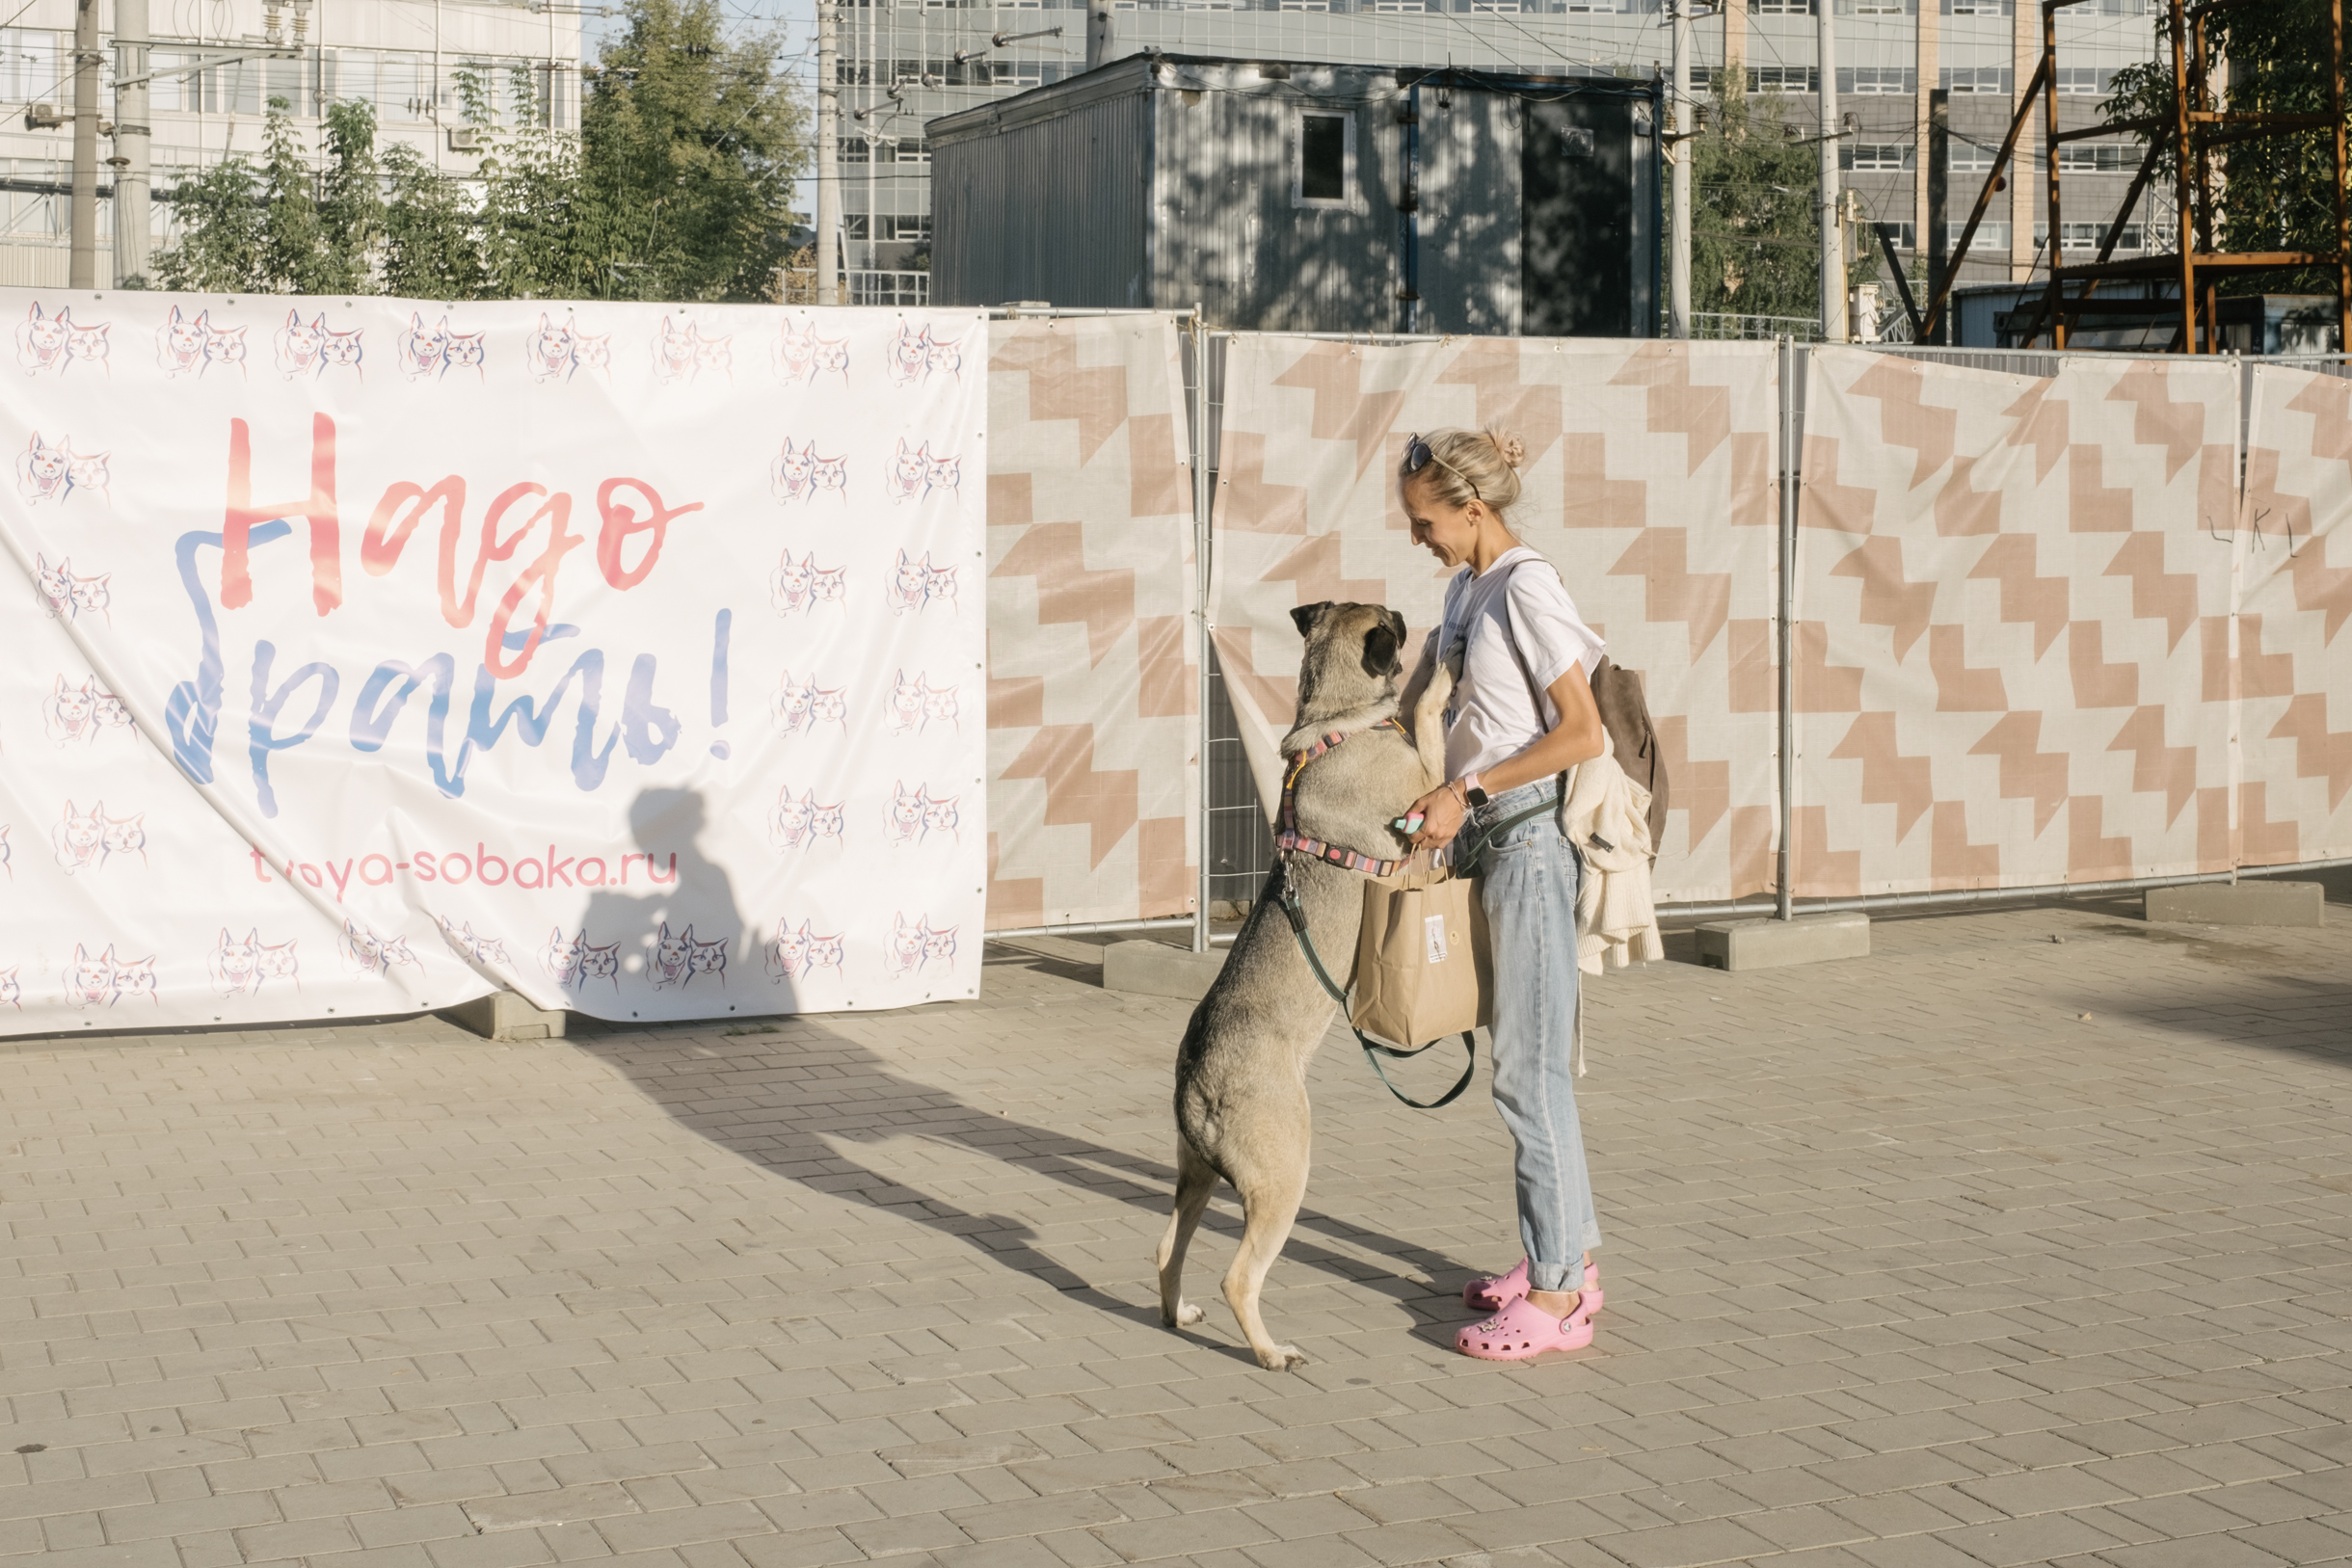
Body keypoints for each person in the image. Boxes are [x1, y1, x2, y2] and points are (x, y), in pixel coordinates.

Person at [1396, 426, 1610, 1361]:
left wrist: (1464, 790)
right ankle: (1562, 1255)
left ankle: (1559, 1299)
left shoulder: (1526, 586)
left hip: (1525, 845)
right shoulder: (1465, 590)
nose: (1418, 536)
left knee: (1529, 1075)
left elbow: (1582, 732)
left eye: (1423, 520)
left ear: (1471, 508)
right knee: (1528, 1066)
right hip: (1487, 845)